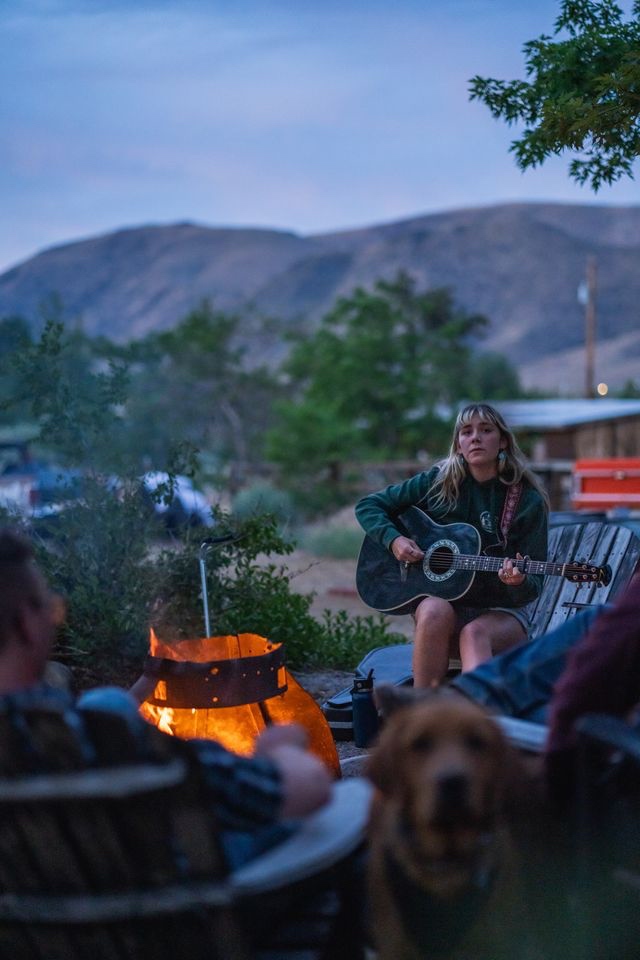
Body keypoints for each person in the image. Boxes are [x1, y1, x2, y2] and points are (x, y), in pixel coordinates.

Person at [0, 527, 334, 870]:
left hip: (27, 914)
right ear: (26, 624)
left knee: (110, 703)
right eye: (51, 610)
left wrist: (144, 684)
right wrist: (278, 748)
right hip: (174, 907)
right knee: (345, 810)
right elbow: (308, 787)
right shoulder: (103, 742)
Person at [355, 403, 548, 688]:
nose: (476, 438)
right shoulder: (437, 482)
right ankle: (424, 713)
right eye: (466, 432)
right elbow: (369, 505)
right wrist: (394, 540)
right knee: (433, 609)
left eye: (486, 430)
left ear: (503, 440)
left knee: (473, 634)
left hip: (500, 615)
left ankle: (473, 719)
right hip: (444, 612)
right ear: (458, 444)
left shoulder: (526, 500)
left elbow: (533, 585)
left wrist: (516, 581)